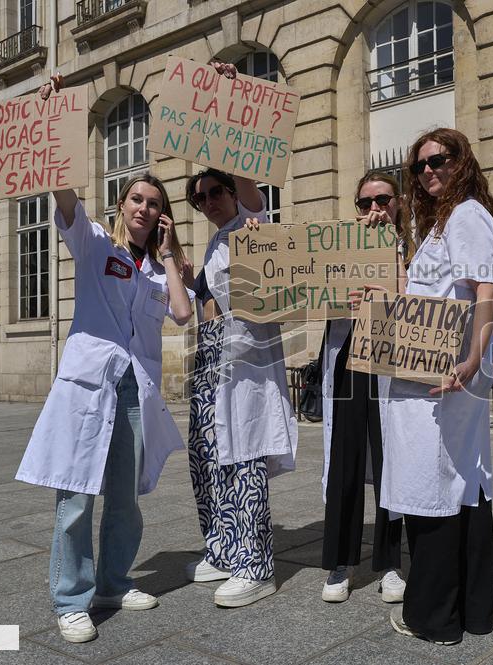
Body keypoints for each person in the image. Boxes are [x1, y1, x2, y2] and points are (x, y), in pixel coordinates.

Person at [16, 69, 195, 647]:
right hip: (90, 384)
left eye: (155, 204)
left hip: (135, 390)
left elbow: (183, 314)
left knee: (124, 498)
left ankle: (115, 582)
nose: (144, 208)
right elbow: (63, 193)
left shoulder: (155, 270)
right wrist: (53, 122)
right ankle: (72, 599)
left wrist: (169, 255)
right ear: (122, 204)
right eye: (137, 199)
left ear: (162, 216)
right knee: (75, 495)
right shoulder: (93, 243)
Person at [376, 128, 493, 645]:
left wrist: (473, 356)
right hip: (429, 369)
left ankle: (433, 617)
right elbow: (419, 292)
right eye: (420, 165)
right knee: (455, 479)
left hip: (445, 372)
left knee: (429, 481)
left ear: (461, 162)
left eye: (439, 160)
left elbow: (486, 287)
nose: (428, 170)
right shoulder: (440, 223)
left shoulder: (467, 213)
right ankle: (468, 609)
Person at [184, 62, 297, 609]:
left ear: (233, 192)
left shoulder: (254, 223)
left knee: (245, 452)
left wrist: (231, 103)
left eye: (215, 192)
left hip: (247, 361)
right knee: (212, 456)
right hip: (212, 361)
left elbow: (251, 178)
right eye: (200, 197)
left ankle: (257, 565)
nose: (208, 202)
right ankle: (225, 547)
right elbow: (209, 298)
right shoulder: (214, 243)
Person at [318, 171, 412, 604]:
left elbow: (416, 303)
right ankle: (341, 561)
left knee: (391, 457)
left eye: (383, 200)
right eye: (365, 202)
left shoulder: (413, 248)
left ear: (399, 203)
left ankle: (390, 561)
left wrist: (390, 253)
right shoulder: (335, 247)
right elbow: (298, 287)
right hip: (348, 357)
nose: (374, 209)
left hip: (390, 360)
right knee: (346, 459)